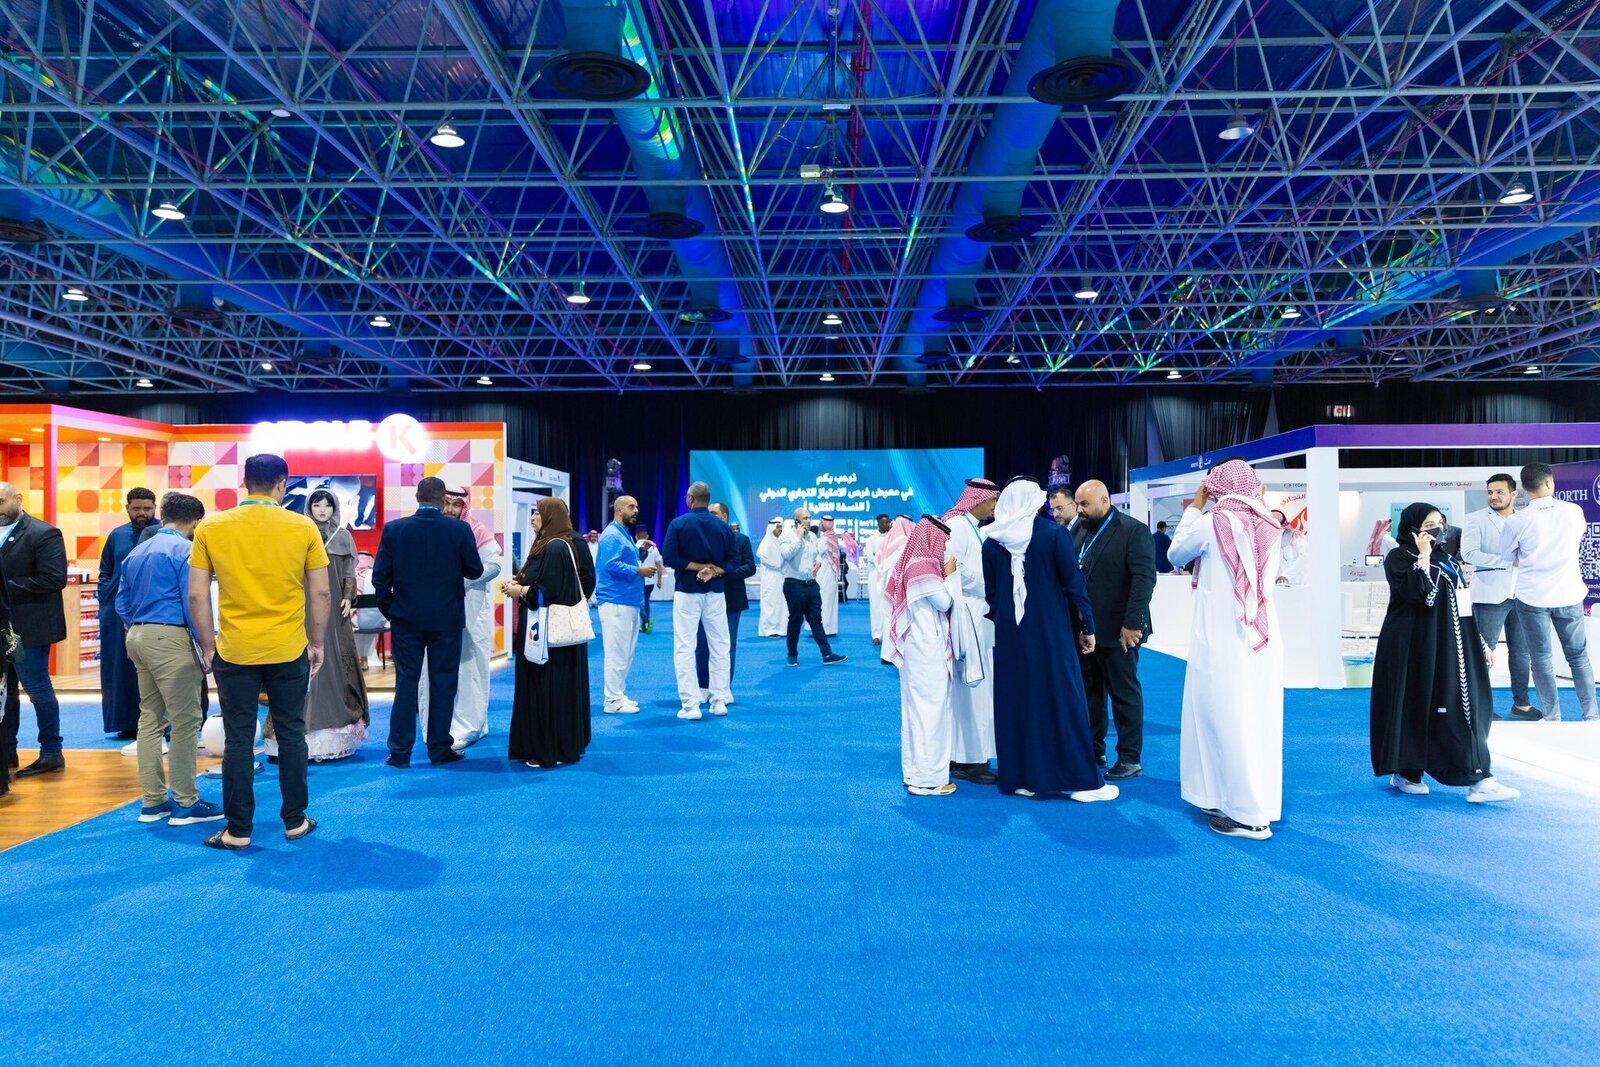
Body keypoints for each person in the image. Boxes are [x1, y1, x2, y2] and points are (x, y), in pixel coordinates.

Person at [187, 454, 329, 850]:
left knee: (237, 740)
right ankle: (295, 821)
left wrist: (208, 645)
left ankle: (238, 830)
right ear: (282, 484)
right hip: (288, 648)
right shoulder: (303, 526)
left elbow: (197, 594)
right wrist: (317, 643)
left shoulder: (212, 526)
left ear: (244, 482)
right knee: (292, 734)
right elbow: (320, 592)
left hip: (235, 650)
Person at [1164, 460, 1285, 840]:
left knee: (1224, 718)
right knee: (1256, 721)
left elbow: (1175, 554)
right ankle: (1238, 801)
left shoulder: (1213, 521)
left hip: (1222, 637)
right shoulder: (1269, 523)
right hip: (1261, 638)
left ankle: (1247, 815)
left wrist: (1195, 507)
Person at [1370, 503, 1519, 804]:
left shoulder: (1448, 559)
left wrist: (1479, 640)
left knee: (1459, 703)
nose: (1436, 530)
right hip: (1413, 646)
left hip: (1451, 644)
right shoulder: (1399, 558)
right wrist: (1423, 556)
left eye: (1440, 523)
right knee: (1414, 704)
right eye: (1428, 525)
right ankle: (1408, 771)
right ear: (1412, 528)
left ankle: (1479, 778)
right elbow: (1421, 594)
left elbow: (1462, 602)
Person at [982, 478, 1115, 802]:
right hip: (1050, 633)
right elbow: (1074, 585)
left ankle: (1021, 778)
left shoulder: (992, 542)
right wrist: (1088, 627)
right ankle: (1084, 783)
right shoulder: (1054, 535)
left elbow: (992, 596)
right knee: (1063, 699)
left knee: (1017, 701)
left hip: (1011, 637)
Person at [116, 492, 222, 826]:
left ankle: (153, 802)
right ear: (197, 521)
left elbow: (121, 602)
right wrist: (207, 644)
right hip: (170, 637)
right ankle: (186, 802)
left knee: (150, 718)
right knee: (186, 720)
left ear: (163, 514)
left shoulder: (137, 551)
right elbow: (194, 600)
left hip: (137, 635)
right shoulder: (185, 550)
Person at [372, 477, 484, 766]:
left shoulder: (395, 529)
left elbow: (380, 577)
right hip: (446, 620)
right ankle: (439, 748)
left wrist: (390, 610)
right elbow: (474, 570)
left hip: (405, 619)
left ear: (417, 497)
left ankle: (400, 752)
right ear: (443, 500)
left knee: (406, 684)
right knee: (443, 683)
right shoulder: (459, 530)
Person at [272, 489, 367, 762]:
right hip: (301, 605)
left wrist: (348, 597)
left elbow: (349, 571)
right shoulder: (299, 533)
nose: (322, 509)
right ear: (309, 507)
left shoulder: (343, 536)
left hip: (335, 608)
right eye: (317, 504)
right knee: (300, 659)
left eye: (327, 505)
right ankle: (295, 731)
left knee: (334, 660)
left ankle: (332, 729)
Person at [1073, 479, 1158, 780]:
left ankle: (1130, 758)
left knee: (1124, 693)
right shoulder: (1079, 529)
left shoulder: (1133, 531)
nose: (1079, 509)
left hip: (1120, 630)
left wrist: (1132, 624)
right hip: (1087, 630)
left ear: (1105, 501)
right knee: (1090, 692)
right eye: (1077, 504)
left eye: (1085, 504)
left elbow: (1144, 579)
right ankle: (1094, 749)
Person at [1501, 462, 1597, 722]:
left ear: (1523, 488)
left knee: (1541, 659)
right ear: (1550, 482)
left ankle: (1553, 717)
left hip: (1532, 595)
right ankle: (1591, 716)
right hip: (1568, 592)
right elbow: (1576, 540)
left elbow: (1507, 555)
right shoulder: (1573, 511)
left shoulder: (1517, 520)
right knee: (1579, 657)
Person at [504, 497, 595, 766]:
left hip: (547, 632)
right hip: (546, 630)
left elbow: (547, 591)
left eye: (538, 513)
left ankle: (549, 750)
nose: (533, 517)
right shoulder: (550, 544)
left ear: (551, 517)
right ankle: (558, 745)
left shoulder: (555, 546)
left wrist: (520, 591)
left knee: (547, 687)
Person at [883, 516, 961, 795]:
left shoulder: (909, 563)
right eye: (942, 541)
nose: (944, 548)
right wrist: (950, 575)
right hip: (926, 649)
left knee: (916, 712)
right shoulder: (922, 566)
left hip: (916, 649)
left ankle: (914, 772)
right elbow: (945, 601)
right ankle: (929, 780)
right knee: (931, 711)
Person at [0, 483, 68, 780]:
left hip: (32, 627)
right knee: (4, 692)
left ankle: (51, 752)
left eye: (1, 501)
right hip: (4, 626)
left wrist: (5, 589)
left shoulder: (43, 533)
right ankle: (7, 751)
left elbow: (53, 579)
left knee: (37, 689)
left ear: (18, 499)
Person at [1461, 474, 1537, 721]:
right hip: (1489, 595)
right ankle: (1479, 707)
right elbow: (1469, 554)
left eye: (1499, 492)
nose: (1493, 496)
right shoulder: (1475, 519)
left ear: (1514, 494)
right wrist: (1507, 562)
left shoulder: (1525, 519)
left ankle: (1521, 705)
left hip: (1522, 593)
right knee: (1483, 653)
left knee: (1521, 652)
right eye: (1490, 492)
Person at [430, 487, 502, 747]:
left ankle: (472, 726)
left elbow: (494, 566)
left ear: (465, 506)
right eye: (446, 503)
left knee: (470, 668)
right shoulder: (432, 528)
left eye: (456, 504)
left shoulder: (477, 530)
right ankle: (445, 724)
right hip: (439, 610)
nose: (450, 510)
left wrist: (460, 579)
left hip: (471, 609)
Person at [662, 482, 738, 719]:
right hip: (715, 592)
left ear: (690, 499)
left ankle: (691, 705)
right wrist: (712, 570)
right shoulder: (723, 526)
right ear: (708, 499)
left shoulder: (678, 524)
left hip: (687, 592)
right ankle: (719, 701)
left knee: (685, 646)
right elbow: (734, 561)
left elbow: (669, 556)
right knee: (720, 646)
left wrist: (697, 567)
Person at [942, 480, 1000, 785]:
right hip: (967, 614)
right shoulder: (957, 526)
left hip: (978, 614)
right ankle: (970, 760)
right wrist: (989, 582)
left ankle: (965, 754)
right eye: (992, 500)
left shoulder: (972, 527)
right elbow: (951, 568)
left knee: (975, 689)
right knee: (972, 688)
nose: (994, 506)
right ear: (977, 499)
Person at [98, 487, 158, 741]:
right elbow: (105, 571)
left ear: (155, 508)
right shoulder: (117, 535)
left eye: (147, 508)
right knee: (118, 667)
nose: (142, 513)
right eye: (136, 508)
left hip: (153, 609)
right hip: (115, 612)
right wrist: (106, 596)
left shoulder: (163, 535)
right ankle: (125, 723)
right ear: (127, 508)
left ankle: (159, 723)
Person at [593, 496, 653, 715]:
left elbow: (622, 559)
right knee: (616, 653)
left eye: (637, 506)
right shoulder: (612, 535)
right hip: (616, 601)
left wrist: (639, 551)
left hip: (627, 600)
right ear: (618, 510)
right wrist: (638, 570)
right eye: (631, 507)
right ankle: (612, 700)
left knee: (625, 653)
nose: (636, 510)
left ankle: (618, 693)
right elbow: (611, 565)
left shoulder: (622, 533)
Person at [697, 503, 756, 700]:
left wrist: (721, 574)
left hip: (731, 598)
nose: (709, 516)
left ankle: (724, 688)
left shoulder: (741, 540)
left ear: (724, 517)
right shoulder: (700, 538)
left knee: (727, 644)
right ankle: (703, 686)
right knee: (703, 643)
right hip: (704, 597)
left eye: (714, 513)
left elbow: (750, 567)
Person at [778, 507, 847, 668]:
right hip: (793, 585)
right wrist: (798, 537)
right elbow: (787, 554)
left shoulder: (813, 537)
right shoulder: (786, 536)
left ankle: (827, 654)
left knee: (816, 620)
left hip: (811, 585)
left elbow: (816, 555)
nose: (808, 521)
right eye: (804, 518)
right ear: (796, 520)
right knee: (795, 621)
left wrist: (818, 562)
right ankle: (792, 655)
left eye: (809, 518)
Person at [862, 514, 892, 645]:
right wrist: (882, 560)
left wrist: (881, 558)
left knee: (888, 604)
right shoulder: (871, 539)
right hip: (875, 575)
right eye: (884, 523)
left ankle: (887, 634)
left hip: (888, 574)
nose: (887, 525)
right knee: (875, 604)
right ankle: (876, 635)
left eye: (888, 522)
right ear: (878, 523)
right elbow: (870, 557)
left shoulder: (892, 538)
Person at [756, 518, 789, 637]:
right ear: (772, 528)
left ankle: (781, 629)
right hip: (770, 579)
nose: (780, 529)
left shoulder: (781, 542)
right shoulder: (766, 543)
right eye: (778, 527)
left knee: (782, 604)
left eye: (781, 527)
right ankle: (769, 629)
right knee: (770, 604)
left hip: (782, 578)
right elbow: (773, 562)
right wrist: (782, 564)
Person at [354, 551, 381, 670]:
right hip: (377, 623)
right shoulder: (377, 576)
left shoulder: (353, 576)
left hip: (356, 624)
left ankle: (357, 660)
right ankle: (364, 659)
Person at [818, 516, 842, 636]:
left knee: (824, 600)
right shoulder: (833, 537)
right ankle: (830, 628)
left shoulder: (824, 539)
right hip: (831, 573)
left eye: (821, 523)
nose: (819, 525)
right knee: (830, 600)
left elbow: (817, 552)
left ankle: (824, 628)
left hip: (825, 573)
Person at [635, 527, 663, 634]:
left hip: (638, 580)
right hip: (650, 581)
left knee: (638, 603)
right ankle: (645, 624)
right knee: (646, 602)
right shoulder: (654, 548)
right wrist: (659, 580)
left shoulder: (634, 547)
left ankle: (646, 621)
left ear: (636, 537)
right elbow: (659, 566)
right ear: (647, 536)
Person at [1272, 511, 1307, 586]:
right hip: (1280, 584)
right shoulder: (1271, 541)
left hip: (1300, 582)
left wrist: (1286, 575)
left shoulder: (1297, 536)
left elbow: (1304, 557)